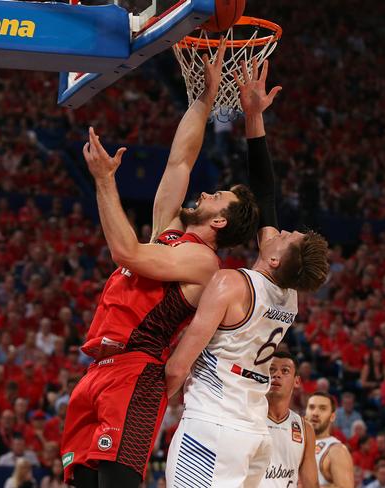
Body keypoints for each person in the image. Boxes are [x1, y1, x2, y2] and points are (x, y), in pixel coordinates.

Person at [61, 41, 260, 488]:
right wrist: (205, 100)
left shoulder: (202, 261)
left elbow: (127, 253)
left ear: (221, 221)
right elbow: (181, 159)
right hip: (97, 370)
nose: (206, 193)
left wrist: (105, 183)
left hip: (137, 373)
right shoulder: (170, 232)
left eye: (216, 197)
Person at [164, 59, 329, 487]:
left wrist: (149, 415)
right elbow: (267, 195)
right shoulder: (285, 294)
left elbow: (178, 366)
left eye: (285, 236)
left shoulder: (231, 282)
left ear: (274, 257)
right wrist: (253, 117)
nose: (280, 229)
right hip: (252, 432)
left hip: (212, 426)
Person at [261, 352, 318, 488]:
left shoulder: (305, 428)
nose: (276, 375)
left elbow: (311, 483)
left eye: (285, 371)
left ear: (297, 381)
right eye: (271, 370)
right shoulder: (247, 417)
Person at [305, 393, 354, 488]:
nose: (315, 413)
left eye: (322, 408)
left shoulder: (337, 451)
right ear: (305, 413)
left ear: (332, 417)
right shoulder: (293, 443)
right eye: (311, 407)